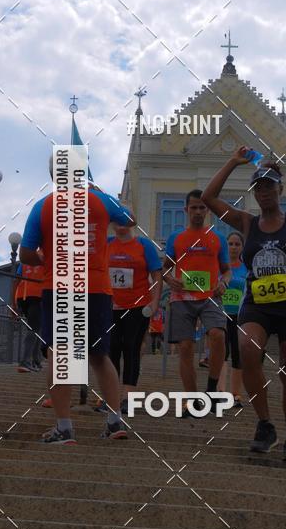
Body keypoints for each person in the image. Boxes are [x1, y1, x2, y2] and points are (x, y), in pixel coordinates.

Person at [201, 148, 286, 463]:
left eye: (269, 186)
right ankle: (265, 424)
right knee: (248, 351)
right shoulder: (247, 223)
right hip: (258, 303)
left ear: (280, 189)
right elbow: (209, 198)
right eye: (258, 187)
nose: (264, 192)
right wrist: (233, 162)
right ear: (254, 193)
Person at [19, 158, 136, 444]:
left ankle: (64, 427)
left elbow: (24, 255)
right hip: (96, 288)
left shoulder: (43, 206)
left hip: (59, 286)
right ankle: (113, 422)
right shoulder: (100, 200)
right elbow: (130, 220)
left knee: (61, 356)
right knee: (99, 356)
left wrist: (45, 260)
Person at [163, 190, 231, 418]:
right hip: (182, 298)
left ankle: (211, 391)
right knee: (185, 347)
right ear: (186, 210)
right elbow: (164, 268)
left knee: (218, 335)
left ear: (208, 211)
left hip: (211, 296)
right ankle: (191, 401)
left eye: (202, 207)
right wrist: (169, 279)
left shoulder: (217, 237)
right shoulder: (176, 237)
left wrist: (225, 282)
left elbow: (227, 270)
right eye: (194, 207)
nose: (198, 211)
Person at [107, 225, 162, 415]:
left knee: (131, 347)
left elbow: (156, 274)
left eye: (125, 219)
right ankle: (112, 395)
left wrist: (155, 302)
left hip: (138, 305)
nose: (121, 224)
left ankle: (128, 396)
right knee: (112, 347)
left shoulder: (143, 244)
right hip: (110, 306)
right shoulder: (106, 244)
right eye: (117, 220)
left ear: (132, 222)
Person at [217, 230, 248, 408]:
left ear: (242, 247)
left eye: (237, 244)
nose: (234, 247)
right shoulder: (220, 267)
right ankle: (221, 391)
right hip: (220, 314)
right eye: (230, 244)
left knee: (238, 354)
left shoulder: (247, 268)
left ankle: (235, 394)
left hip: (240, 316)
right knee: (222, 352)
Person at [12, 249, 47, 373]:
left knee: (36, 328)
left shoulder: (27, 257)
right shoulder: (50, 256)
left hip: (23, 296)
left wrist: (14, 304)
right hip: (37, 297)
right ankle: (25, 362)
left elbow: (16, 280)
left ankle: (36, 361)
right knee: (33, 329)